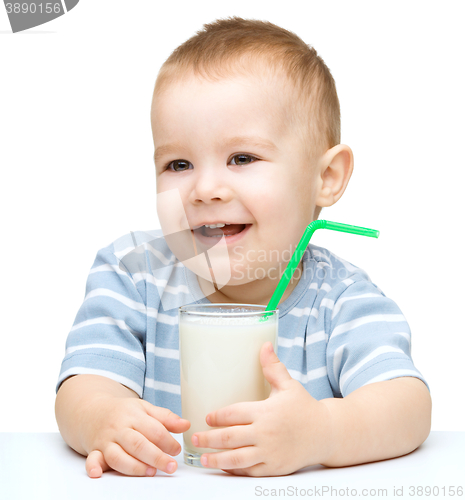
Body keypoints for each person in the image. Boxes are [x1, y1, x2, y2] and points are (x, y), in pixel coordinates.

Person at [55, 17, 431, 478]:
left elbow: (408, 406)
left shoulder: (339, 297)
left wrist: (323, 431)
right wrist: (99, 417)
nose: (205, 188)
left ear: (325, 178)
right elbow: (83, 383)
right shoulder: (134, 273)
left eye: (242, 158)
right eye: (178, 163)